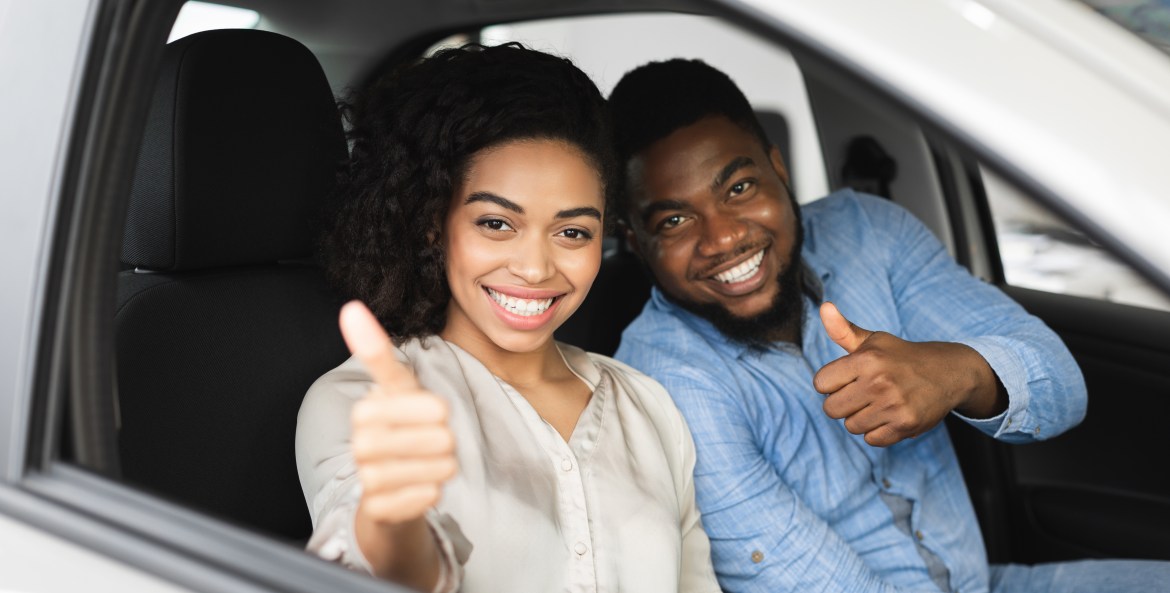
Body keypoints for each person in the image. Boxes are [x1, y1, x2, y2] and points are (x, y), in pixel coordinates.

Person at [608, 58, 1170, 592]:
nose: (723, 238)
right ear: (636, 241)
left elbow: (1062, 389)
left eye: (739, 188)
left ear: (779, 170)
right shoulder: (664, 382)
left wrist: (957, 373)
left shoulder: (869, 234)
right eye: (675, 219)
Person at [295, 45, 720, 593]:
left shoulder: (649, 407)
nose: (536, 268)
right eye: (496, 223)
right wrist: (392, 521)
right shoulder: (362, 402)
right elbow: (385, 565)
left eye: (573, 232)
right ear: (432, 225)